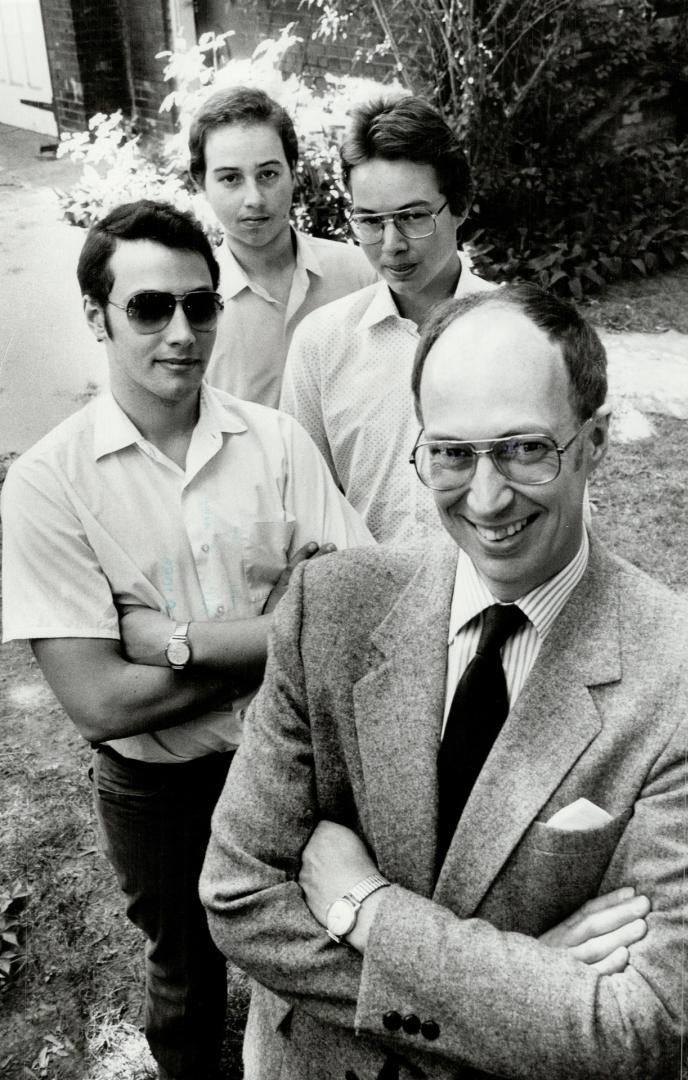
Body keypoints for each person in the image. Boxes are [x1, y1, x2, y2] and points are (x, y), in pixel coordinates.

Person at [201, 285, 688, 1080]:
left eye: (526, 449)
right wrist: (520, 985)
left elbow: (641, 1027)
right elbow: (241, 896)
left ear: (594, 443)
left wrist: (368, 910)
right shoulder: (330, 611)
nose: (486, 500)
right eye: (452, 454)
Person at [0, 199, 373, 1080]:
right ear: (96, 316)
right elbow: (99, 702)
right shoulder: (48, 488)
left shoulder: (277, 444)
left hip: (291, 759)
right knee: (183, 971)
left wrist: (180, 643)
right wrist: (279, 630)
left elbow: (354, 616)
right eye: (149, 307)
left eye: (201, 305)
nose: (183, 331)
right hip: (157, 785)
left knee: (334, 945)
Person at [280, 93, 497, 544]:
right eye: (370, 221)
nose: (391, 243)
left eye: (414, 216)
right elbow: (304, 500)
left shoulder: (519, 333)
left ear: (459, 205)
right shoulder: (322, 343)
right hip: (367, 600)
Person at [189, 86, 376, 406]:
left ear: (293, 169)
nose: (254, 199)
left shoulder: (362, 278)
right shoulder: (191, 306)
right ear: (200, 182)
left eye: (268, 174)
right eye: (230, 179)